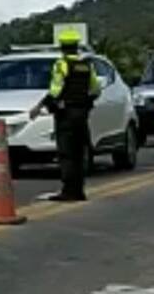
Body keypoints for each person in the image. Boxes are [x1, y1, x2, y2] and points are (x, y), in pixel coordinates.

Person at [29, 30, 101, 202]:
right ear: (76, 47)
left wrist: (39, 107)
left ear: (62, 48)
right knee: (79, 153)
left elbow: (55, 91)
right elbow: (96, 89)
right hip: (82, 115)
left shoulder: (61, 65)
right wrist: (85, 102)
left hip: (66, 115)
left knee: (66, 153)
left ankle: (68, 191)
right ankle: (79, 190)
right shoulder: (86, 65)